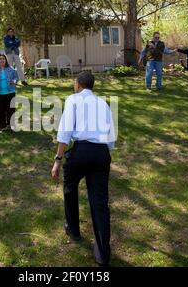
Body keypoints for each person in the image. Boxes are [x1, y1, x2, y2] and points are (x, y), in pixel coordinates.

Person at [51, 72, 116, 267]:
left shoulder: (73, 100)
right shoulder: (103, 103)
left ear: (78, 85)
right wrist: (104, 150)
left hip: (80, 152)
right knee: (99, 203)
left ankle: (73, 228)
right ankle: (103, 255)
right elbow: (111, 135)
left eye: (74, 83)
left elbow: (64, 133)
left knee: (70, 188)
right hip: (101, 153)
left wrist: (57, 160)